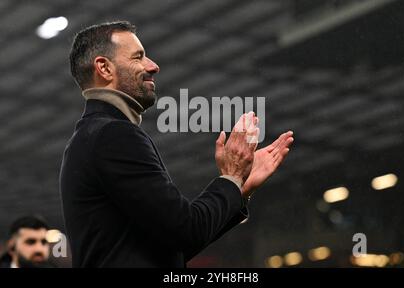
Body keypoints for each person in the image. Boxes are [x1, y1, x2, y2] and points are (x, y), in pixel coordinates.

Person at [59, 21, 294, 267]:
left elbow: (174, 245)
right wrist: (231, 179)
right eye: (138, 57)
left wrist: (238, 189)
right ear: (105, 68)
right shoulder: (113, 135)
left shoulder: (89, 137)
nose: (153, 66)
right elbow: (186, 230)